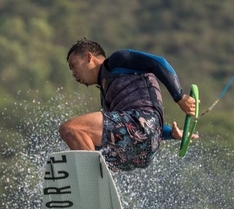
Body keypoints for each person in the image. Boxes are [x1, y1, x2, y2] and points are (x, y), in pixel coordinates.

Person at [58, 38, 197, 171]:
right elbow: (136, 131)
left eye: (73, 66)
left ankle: (91, 179)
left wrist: (179, 96)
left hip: (142, 123)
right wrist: (170, 134)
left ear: (89, 57)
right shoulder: (105, 96)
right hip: (144, 149)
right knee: (87, 141)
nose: (73, 74)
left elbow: (158, 62)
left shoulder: (118, 61)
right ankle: (95, 182)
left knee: (71, 128)